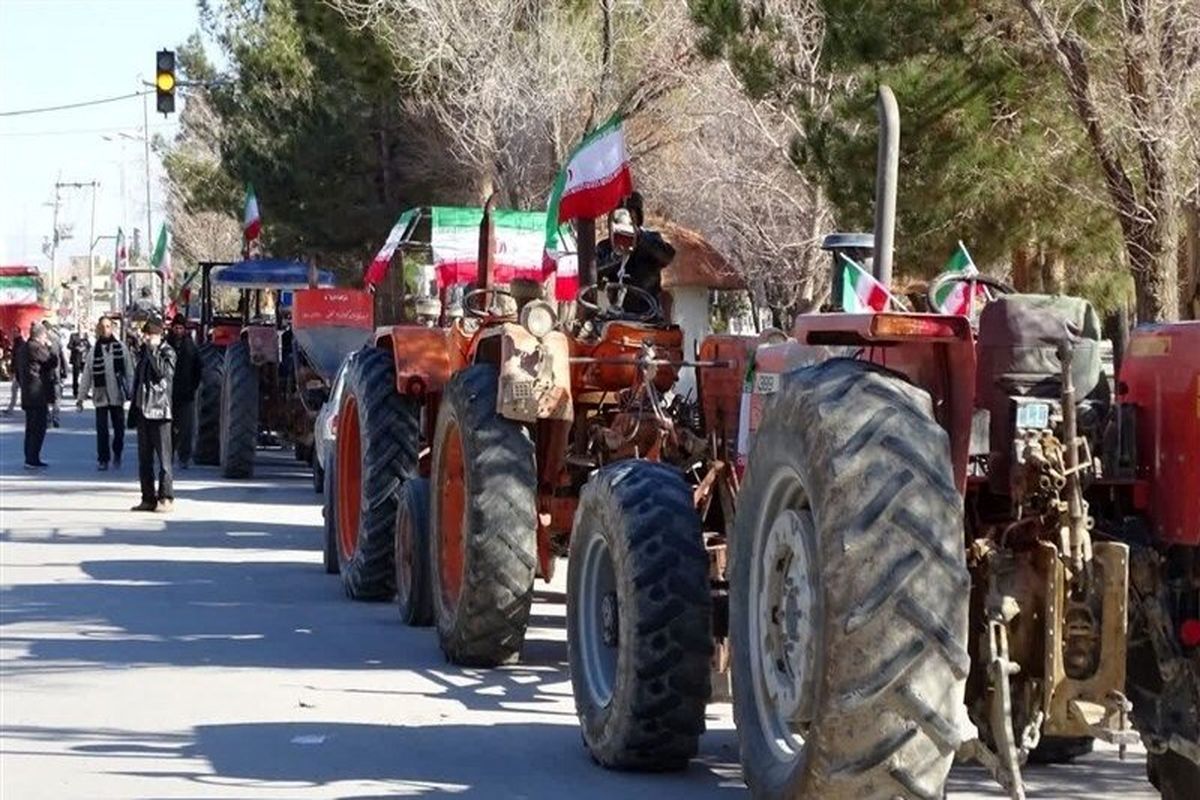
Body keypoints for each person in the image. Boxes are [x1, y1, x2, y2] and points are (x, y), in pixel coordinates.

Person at [129, 318, 176, 512]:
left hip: (160, 411)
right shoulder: (144, 354)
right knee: (144, 459)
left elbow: (163, 373)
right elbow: (139, 380)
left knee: (164, 459)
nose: (146, 338)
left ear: (158, 335)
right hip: (143, 411)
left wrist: (154, 350)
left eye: (150, 335)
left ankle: (165, 497)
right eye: (145, 335)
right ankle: (147, 498)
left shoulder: (167, 352)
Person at [77, 316, 134, 470]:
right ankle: (103, 459)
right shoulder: (93, 352)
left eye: (108, 326)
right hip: (101, 395)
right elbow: (87, 376)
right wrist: (81, 398)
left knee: (119, 429)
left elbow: (129, 372)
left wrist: (131, 391)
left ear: (112, 328)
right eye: (102, 327)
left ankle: (117, 452)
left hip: (117, 395)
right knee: (102, 430)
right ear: (98, 329)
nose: (105, 330)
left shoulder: (121, 348)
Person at [18, 324, 59, 469]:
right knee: (38, 427)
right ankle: (32, 458)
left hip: (28, 392)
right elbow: (52, 361)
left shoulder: (23, 347)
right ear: (41, 335)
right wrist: (50, 347)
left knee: (30, 427)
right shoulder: (36, 347)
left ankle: (30, 456)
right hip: (37, 393)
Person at [166, 315, 202, 468]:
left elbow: (198, 369)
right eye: (176, 328)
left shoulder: (191, 347)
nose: (178, 331)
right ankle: (168, 453)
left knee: (186, 428)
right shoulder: (166, 346)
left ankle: (184, 456)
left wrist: (193, 387)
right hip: (168, 394)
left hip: (186, 394)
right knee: (168, 427)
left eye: (181, 328)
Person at [41, 320, 66, 428]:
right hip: (56, 372)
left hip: (44, 373)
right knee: (57, 396)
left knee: (45, 396)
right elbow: (62, 356)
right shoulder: (57, 339)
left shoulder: (41, 340)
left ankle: (47, 417)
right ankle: (55, 416)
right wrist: (64, 371)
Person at [4, 326, 26, 414]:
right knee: (15, 389)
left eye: (14, 332)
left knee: (20, 390)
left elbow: (17, 358)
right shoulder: (17, 342)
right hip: (18, 370)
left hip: (19, 371)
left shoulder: (20, 343)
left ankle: (13, 408)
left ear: (18, 333)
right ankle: (11, 408)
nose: (12, 334)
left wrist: (14, 370)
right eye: (12, 332)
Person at [67, 328, 90, 398]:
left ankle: (85, 392)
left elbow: (89, 346)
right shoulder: (73, 336)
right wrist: (76, 348)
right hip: (76, 359)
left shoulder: (86, 336)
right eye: (80, 327)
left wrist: (85, 348)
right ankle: (75, 392)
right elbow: (69, 346)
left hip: (84, 359)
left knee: (85, 377)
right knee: (75, 377)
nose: (82, 329)